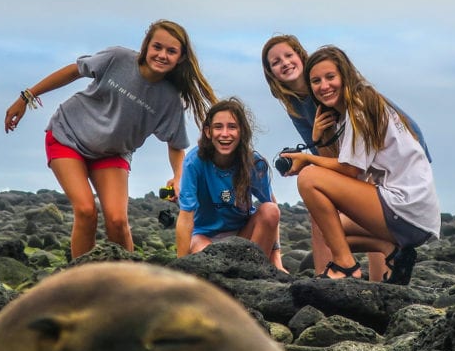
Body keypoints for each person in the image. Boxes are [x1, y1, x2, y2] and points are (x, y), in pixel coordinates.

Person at [4, 19, 215, 258]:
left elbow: (175, 144)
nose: (162, 55)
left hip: (113, 152)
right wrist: (26, 96)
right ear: (146, 46)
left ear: (181, 58)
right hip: (68, 135)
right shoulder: (118, 58)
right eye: (157, 47)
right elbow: (74, 70)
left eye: (171, 51)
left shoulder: (170, 99)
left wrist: (178, 177)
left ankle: (127, 282)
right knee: (85, 210)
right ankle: (82, 282)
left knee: (116, 220)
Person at [261, 35, 432, 281]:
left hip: (397, 169)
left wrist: (306, 159)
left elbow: (349, 166)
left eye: (289, 55)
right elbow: (333, 157)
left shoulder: (346, 97)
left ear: (302, 56)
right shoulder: (296, 105)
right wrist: (317, 139)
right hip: (372, 169)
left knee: (316, 184)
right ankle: (337, 273)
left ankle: (360, 274)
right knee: (325, 219)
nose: (285, 63)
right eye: (276, 62)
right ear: (271, 73)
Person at [175, 97, 286, 270]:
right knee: (208, 260)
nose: (225, 134)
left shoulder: (254, 163)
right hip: (205, 235)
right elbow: (185, 217)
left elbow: (271, 207)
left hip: (243, 234)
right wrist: (181, 267)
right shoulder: (194, 162)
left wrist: (276, 256)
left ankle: (255, 273)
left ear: (241, 131)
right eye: (218, 127)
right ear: (208, 132)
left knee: (270, 210)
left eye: (232, 127)